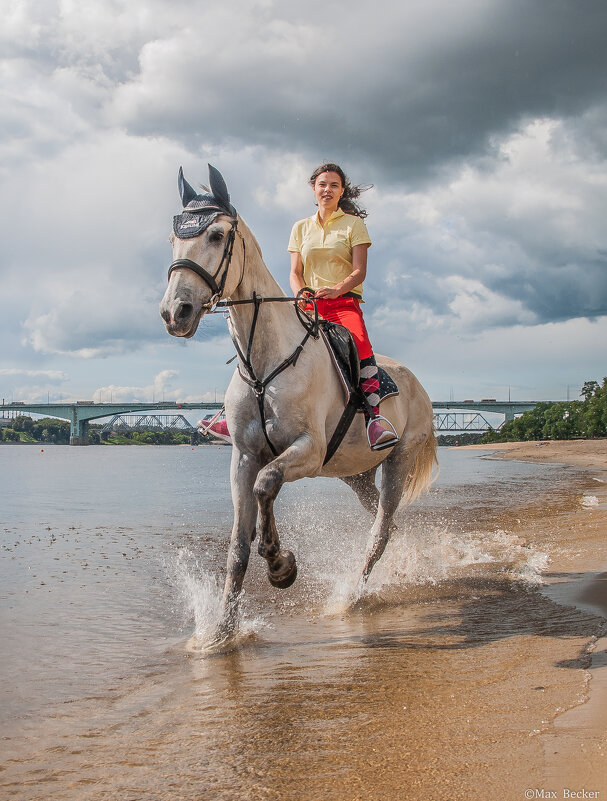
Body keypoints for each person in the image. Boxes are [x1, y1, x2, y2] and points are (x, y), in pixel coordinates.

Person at [288, 163, 399, 451]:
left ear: (342, 191)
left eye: (334, 185)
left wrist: (336, 289)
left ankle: (374, 420)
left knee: (361, 344)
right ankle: (238, 412)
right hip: (309, 305)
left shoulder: (353, 224)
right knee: (271, 340)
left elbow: (359, 271)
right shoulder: (300, 227)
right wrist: (300, 291)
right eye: (322, 184)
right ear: (313, 188)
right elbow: (295, 271)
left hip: (342, 304)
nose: (327, 189)